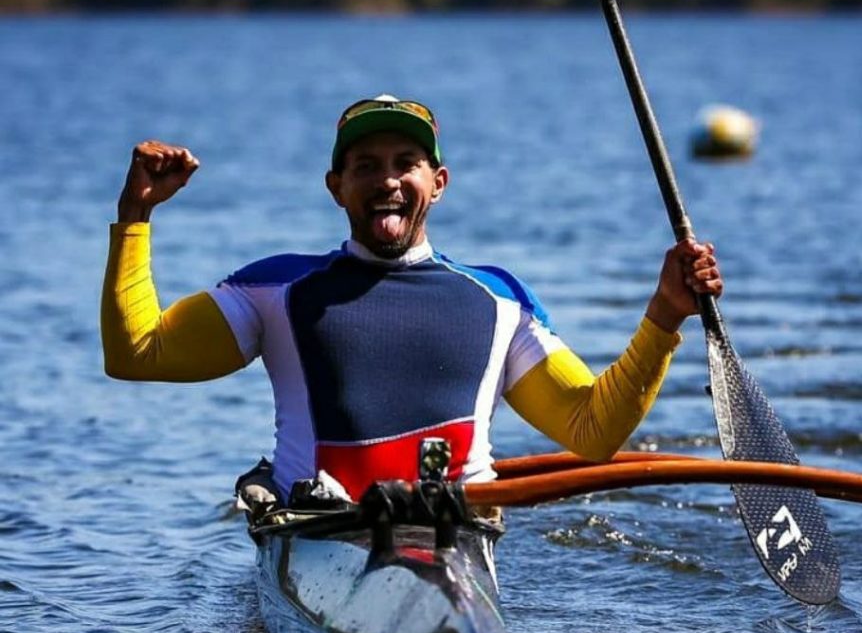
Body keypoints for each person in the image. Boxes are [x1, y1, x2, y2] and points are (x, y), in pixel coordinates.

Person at [101, 95, 723, 502]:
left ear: (438, 184)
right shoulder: (274, 290)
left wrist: (664, 315)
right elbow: (137, 353)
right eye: (365, 166)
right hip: (318, 533)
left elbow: (591, 432)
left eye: (407, 163)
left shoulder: (499, 301)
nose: (388, 180)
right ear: (336, 188)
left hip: (454, 547)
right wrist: (136, 216)